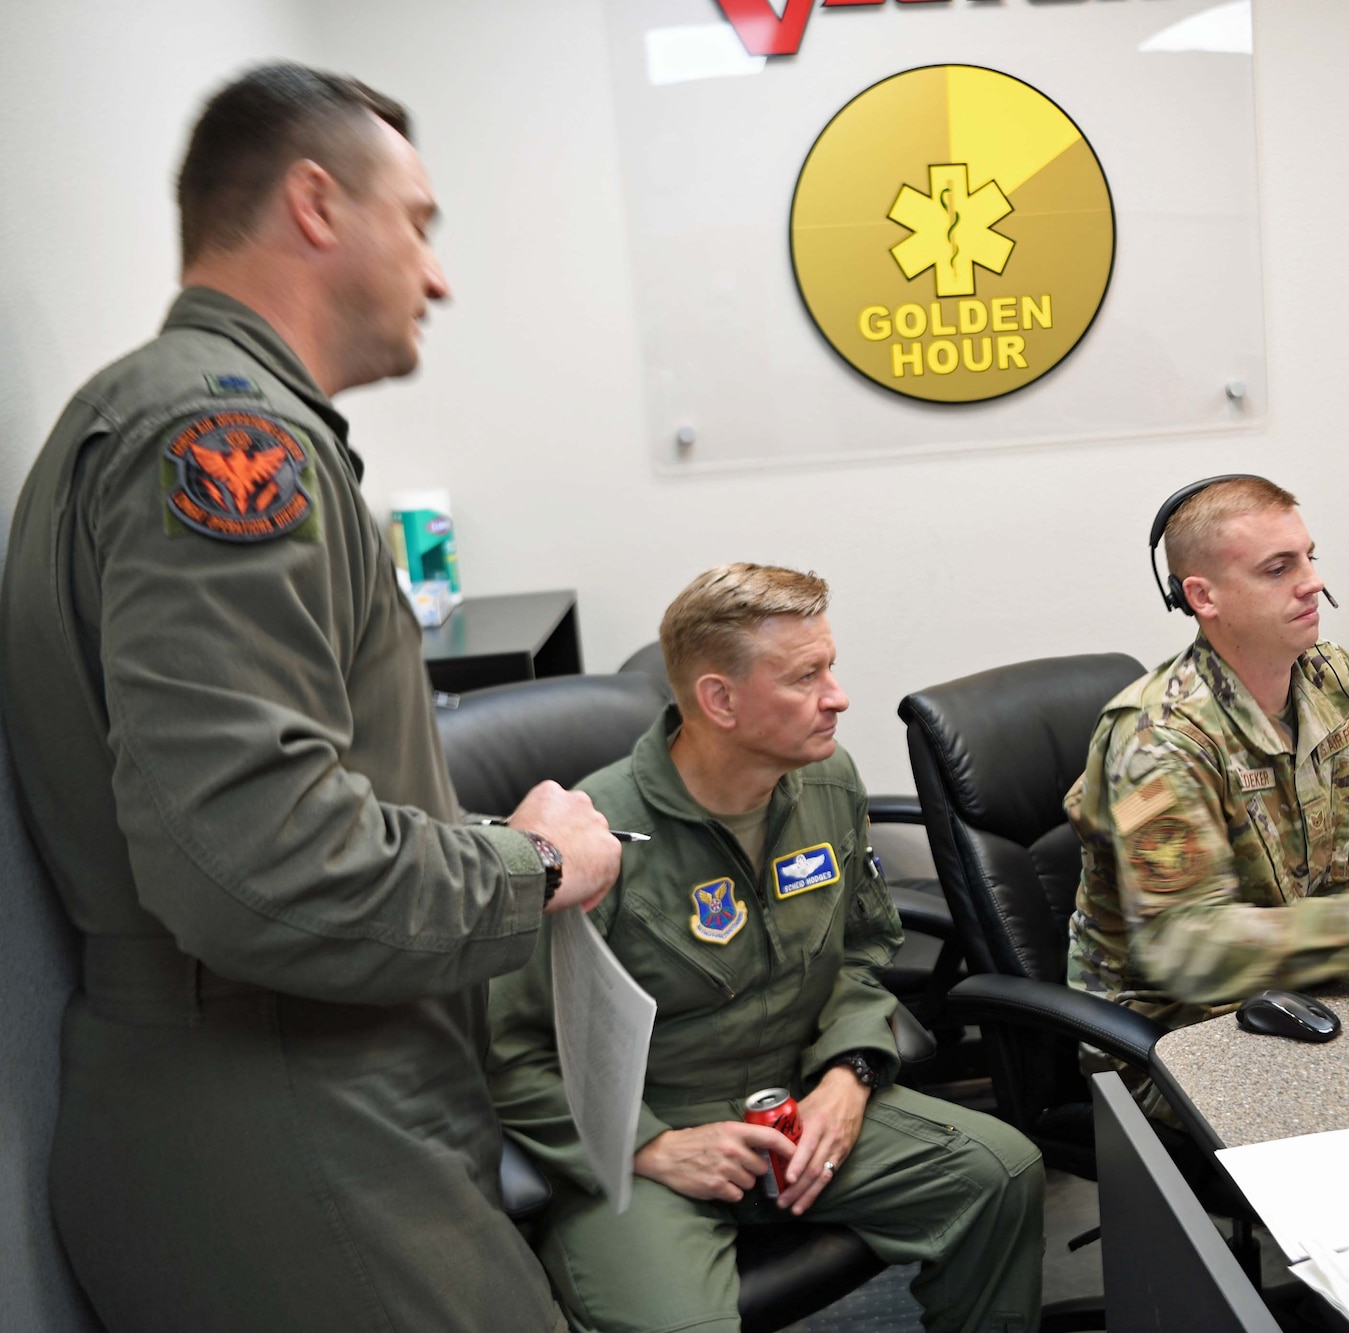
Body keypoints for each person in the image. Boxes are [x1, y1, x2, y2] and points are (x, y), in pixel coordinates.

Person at [0, 65, 622, 1332]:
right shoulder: (222, 442)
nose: (437, 277)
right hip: (286, 1105)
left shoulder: (198, 418)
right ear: (316, 204)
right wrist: (533, 868)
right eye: (421, 225)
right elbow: (256, 860)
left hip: (298, 1082)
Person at [486, 563, 1045, 1333]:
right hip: (648, 1134)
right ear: (719, 699)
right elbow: (510, 1050)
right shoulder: (589, 837)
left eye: (831, 666)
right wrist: (652, 1147)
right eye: (806, 676)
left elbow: (863, 947)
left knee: (1001, 1172)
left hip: (799, 1099)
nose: (838, 696)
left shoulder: (827, 782)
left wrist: (849, 1075)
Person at [1066, 476, 1349, 1114]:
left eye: (1308, 558)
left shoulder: (1331, 677)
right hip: (1175, 1036)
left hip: (1306, 992)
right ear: (1202, 597)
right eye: (1278, 568)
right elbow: (1190, 947)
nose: (1312, 582)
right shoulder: (1160, 742)